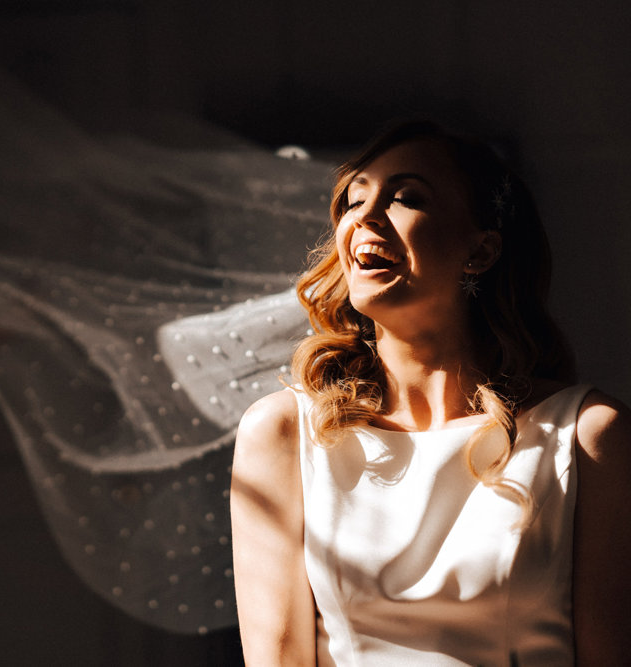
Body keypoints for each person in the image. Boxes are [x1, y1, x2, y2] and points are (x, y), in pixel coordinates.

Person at [230, 121, 631, 665]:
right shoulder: (283, 433)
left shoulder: (587, 436)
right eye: (354, 201)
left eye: (406, 198)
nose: (366, 218)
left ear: (481, 250)